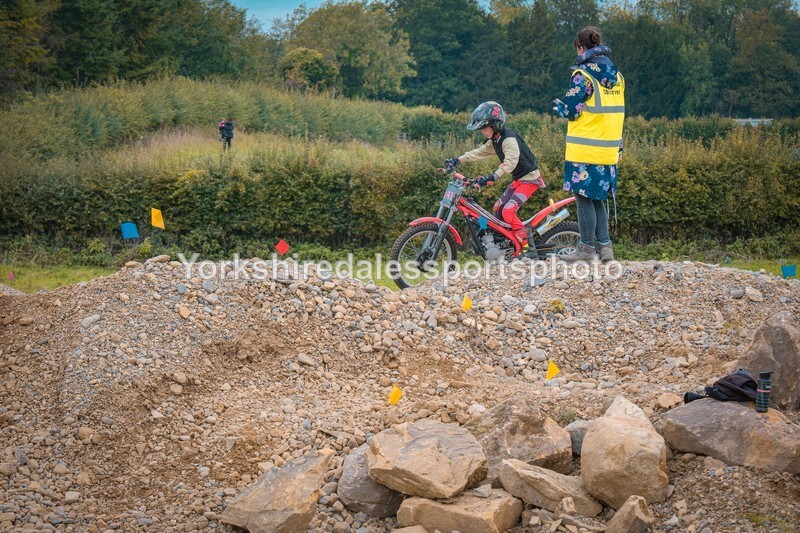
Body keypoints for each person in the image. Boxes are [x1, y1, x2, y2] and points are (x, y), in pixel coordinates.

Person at [552, 26, 625, 262]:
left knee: (583, 199)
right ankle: (605, 248)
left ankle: (585, 249)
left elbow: (572, 110)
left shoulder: (583, 76)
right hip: (609, 150)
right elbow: (618, 114)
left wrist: (561, 107)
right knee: (598, 199)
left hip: (585, 149)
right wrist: (619, 146)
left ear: (580, 48)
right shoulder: (617, 77)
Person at [444, 101, 545, 258]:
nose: (483, 132)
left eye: (484, 128)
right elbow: (478, 153)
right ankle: (507, 243)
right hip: (519, 180)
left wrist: (492, 177)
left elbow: (509, 164)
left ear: (495, 125)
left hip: (530, 180)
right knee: (498, 208)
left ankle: (528, 249)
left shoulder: (509, 139)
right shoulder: (495, 140)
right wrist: (458, 160)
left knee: (508, 210)